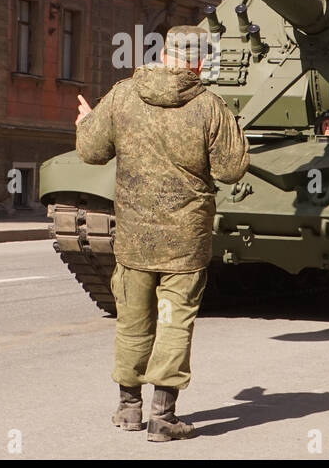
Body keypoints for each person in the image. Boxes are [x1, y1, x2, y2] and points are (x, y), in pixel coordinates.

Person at [74, 25, 249, 441]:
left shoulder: (122, 96)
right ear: (200, 61)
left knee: (133, 319)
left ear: (165, 54)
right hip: (184, 241)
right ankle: (163, 416)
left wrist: (85, 122)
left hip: (134, 236)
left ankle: (128, 408)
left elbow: (92, 152)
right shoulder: (210, 107)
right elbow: (231, 169)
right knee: (173, 321)